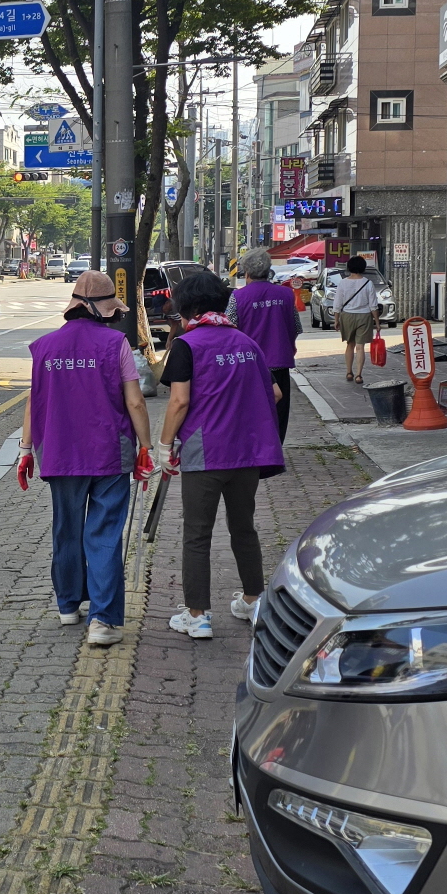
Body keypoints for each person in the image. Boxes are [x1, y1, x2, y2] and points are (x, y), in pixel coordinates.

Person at [19, 271, 155, 642]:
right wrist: (146, 447)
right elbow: (135, 401)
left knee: (66, 529)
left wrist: (25, 450)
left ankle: (67, 606)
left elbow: (34, 402)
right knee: (104, 535)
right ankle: (103, 621)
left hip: (59, 455)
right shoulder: (116, 345)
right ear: (104, 308)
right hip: (109, 454)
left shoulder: (44, 347)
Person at [157, 270, 284, 640]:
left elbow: (179, 400)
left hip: (205, 454)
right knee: (244, 528)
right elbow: (274, 394)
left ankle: (197, 615)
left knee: (197, 533)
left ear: (188, 309)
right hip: (246, 454)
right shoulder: (246, 343)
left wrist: (165, 445)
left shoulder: (187, 345)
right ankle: (253, 600)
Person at [227, 249, 302, 441]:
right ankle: (276, 447)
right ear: (268, 270)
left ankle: (256, 446)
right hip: (279, 362)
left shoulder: (238, 297)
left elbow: (229, 330)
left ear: (246, 272)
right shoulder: (286, 294)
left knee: (251, 408)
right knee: (279, 411)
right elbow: (295, 327)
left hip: (249, 365)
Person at [333, 255, 379, 385]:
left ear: (349, 267)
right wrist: (377, 321)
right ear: (363, 268)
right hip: (364, 316)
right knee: (360, 347)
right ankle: (358, 375)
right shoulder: (368, 283)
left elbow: (337, 303)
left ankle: (348, 372)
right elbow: (373, 305)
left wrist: (336, 320)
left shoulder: (343, 282)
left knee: (350, 344)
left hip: (347, 316)